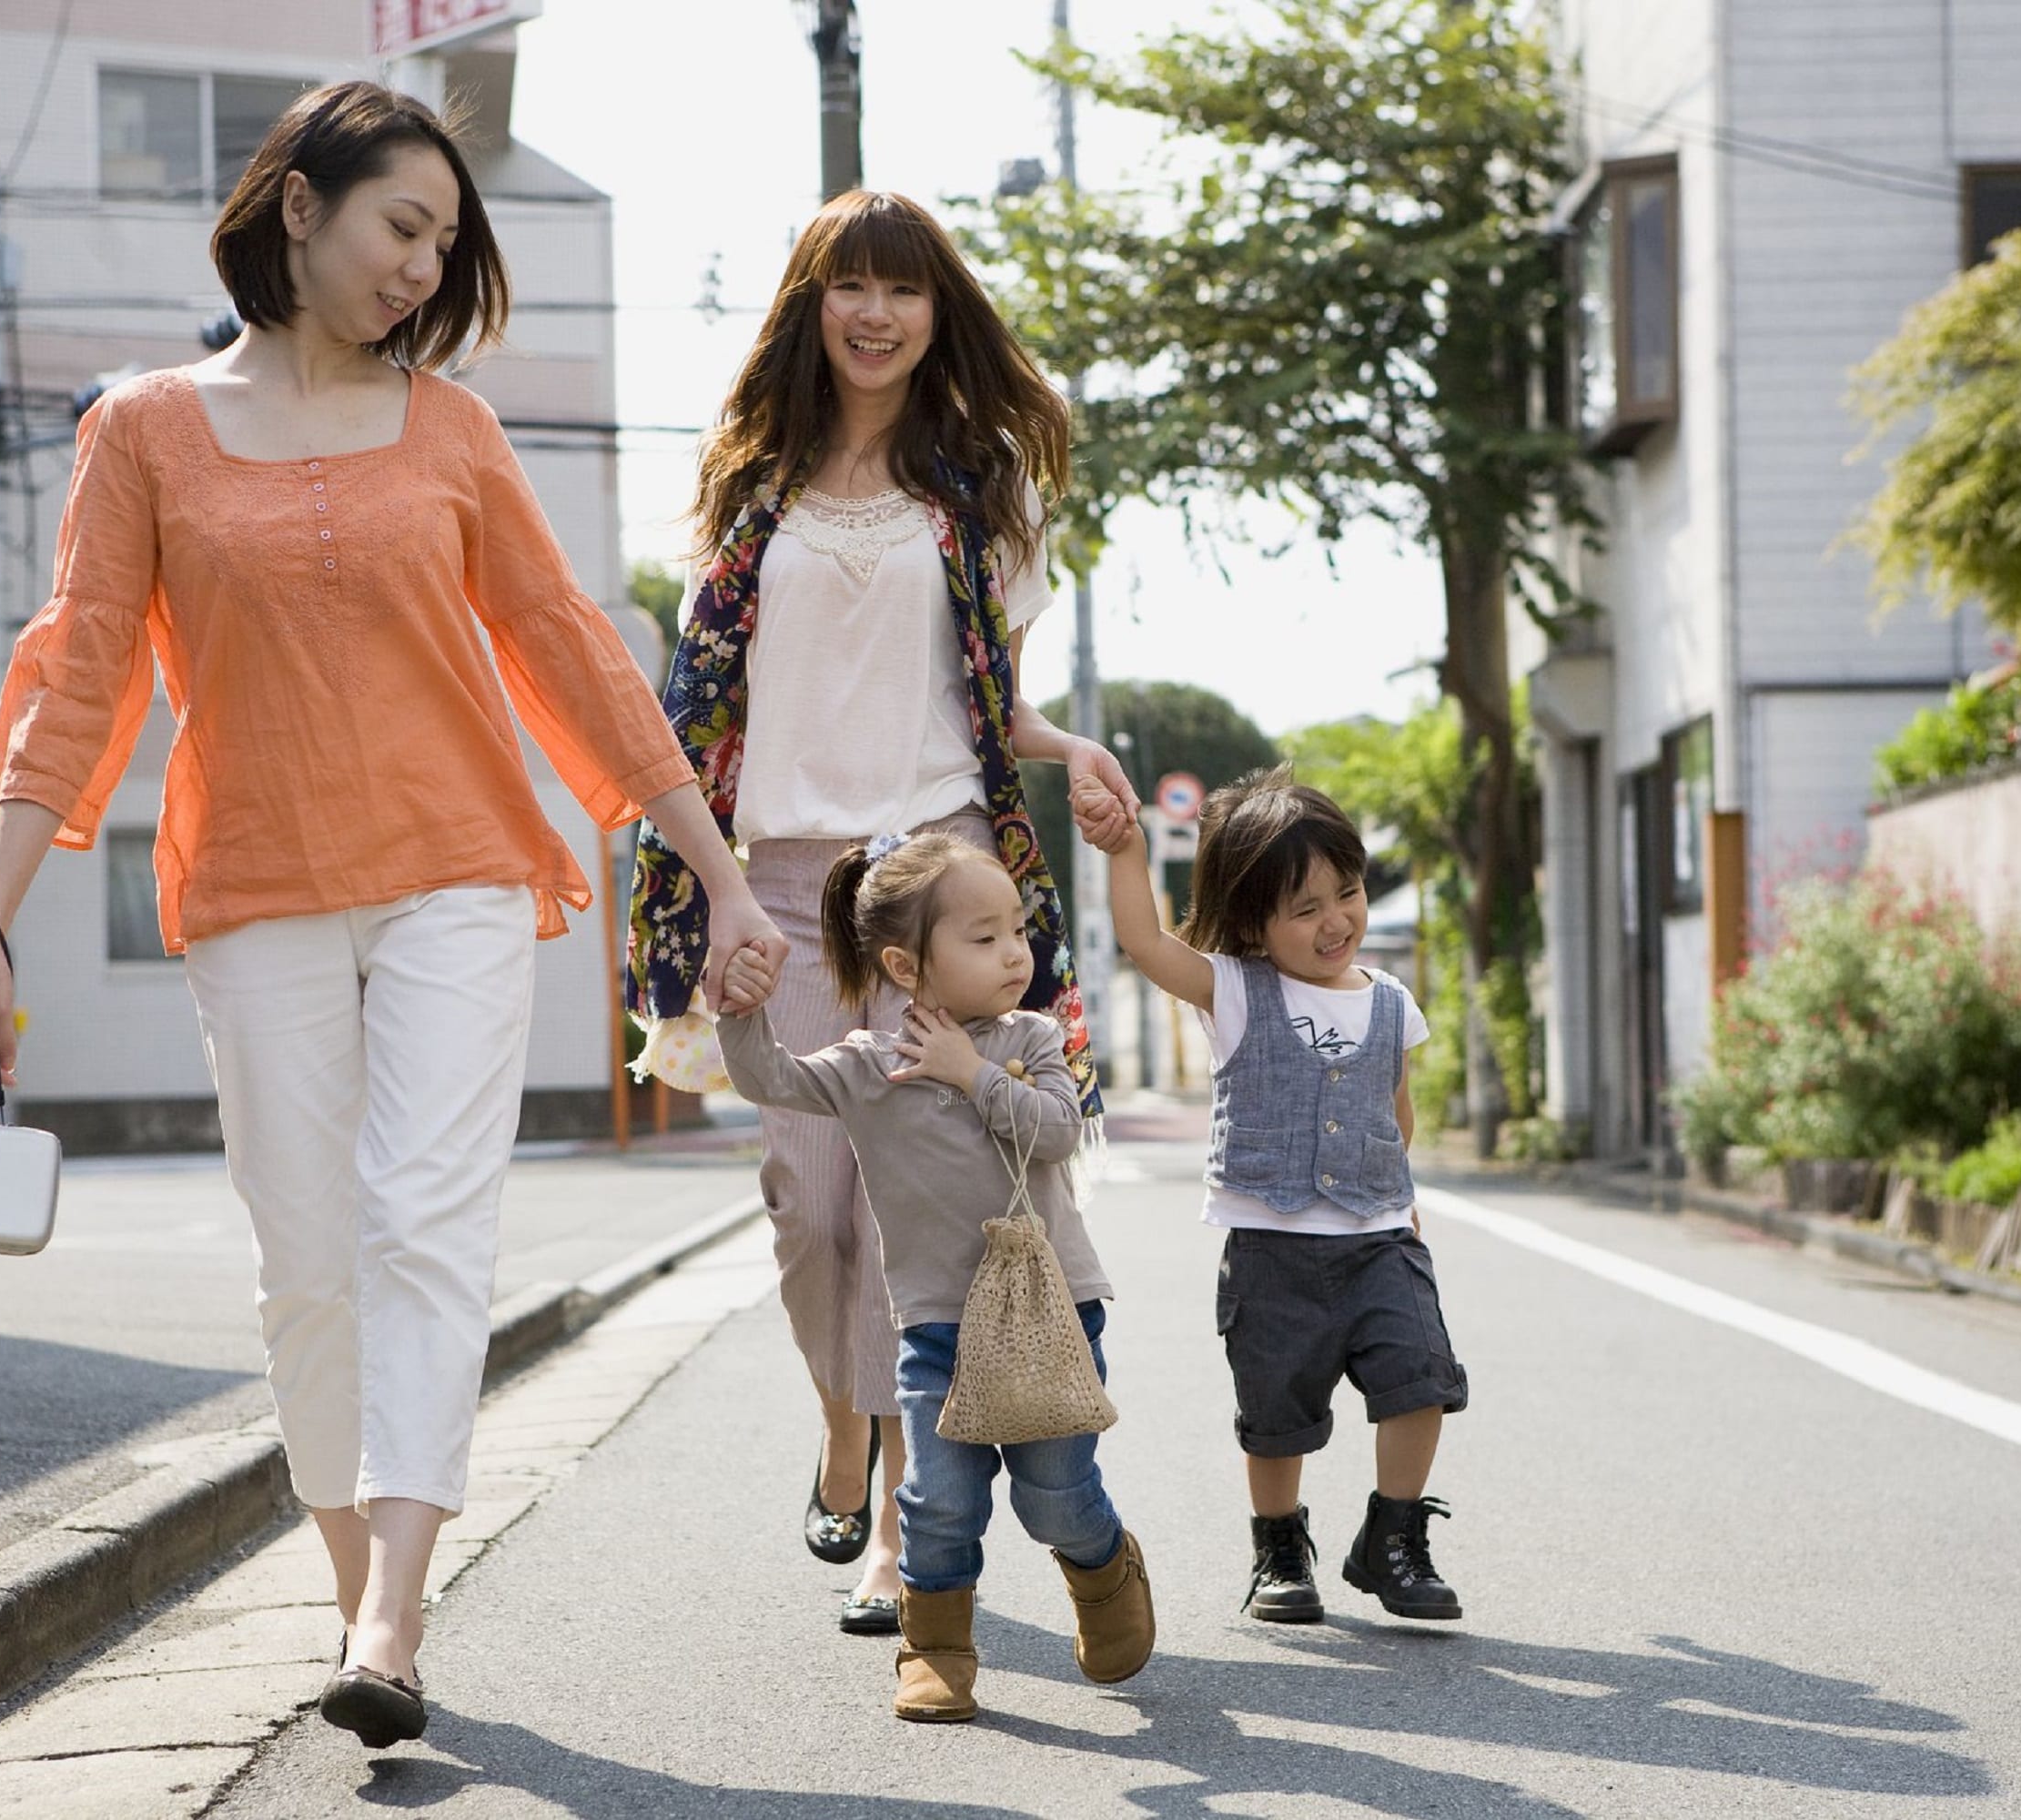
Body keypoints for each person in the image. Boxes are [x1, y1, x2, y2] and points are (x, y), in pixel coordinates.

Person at [0, 82, 782, 1751]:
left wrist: (714, 860)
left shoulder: (452, 432)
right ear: (300, 207)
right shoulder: (147, 428)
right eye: (405, 227)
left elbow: (565, 645)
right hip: (250, 887)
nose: (422, 267)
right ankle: (356, 1599)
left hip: (458, 871)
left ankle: (391, 1616)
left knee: (419, 1221)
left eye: (446, 245)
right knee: (305, 1260)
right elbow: (80, 668)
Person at [622, 191, 1139, 1635]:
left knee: (927, 1200)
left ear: (935, 312)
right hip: (782, 882)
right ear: (812, 304)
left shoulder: (981, 490)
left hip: (940, 872)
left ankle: (904, 1537)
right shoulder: (749, 490)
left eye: (902, 290)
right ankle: (845, 1426)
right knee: (809, 1206)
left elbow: (995, 699)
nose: (876, 312)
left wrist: (1071, 754)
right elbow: (702, 708)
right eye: (848, 285)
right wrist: (703, 884)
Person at [714, 832, 1151, 1722]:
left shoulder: (1031, 1036)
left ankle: (1105, 1569)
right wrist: (741, 1009)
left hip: (1052, 1310)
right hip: (936, 1327)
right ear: (907, 963)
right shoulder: (865, 1064)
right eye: (984, 937)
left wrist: (974, 1072)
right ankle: (938, 1649)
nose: (1015, 951)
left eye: (1018, 930)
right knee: (938, 1499)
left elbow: (1059, 1132)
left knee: (1054, 1496)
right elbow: (770, 1075)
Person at [1078, 765, 1470, 1624]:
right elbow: (1145, 943)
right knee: (1275, 1412)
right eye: (1306, 909)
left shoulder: (1392, 1003)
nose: (1337, 922)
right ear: (1256, 921)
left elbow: (1392, 1112)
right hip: (1272, 1245)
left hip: (1379, 1237)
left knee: (1423, 1378)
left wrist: (1398, 1201)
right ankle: (1280, 1551)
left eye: (1349, 894)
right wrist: (1127, 850)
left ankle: (1394, 1538)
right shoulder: (1236, 993)